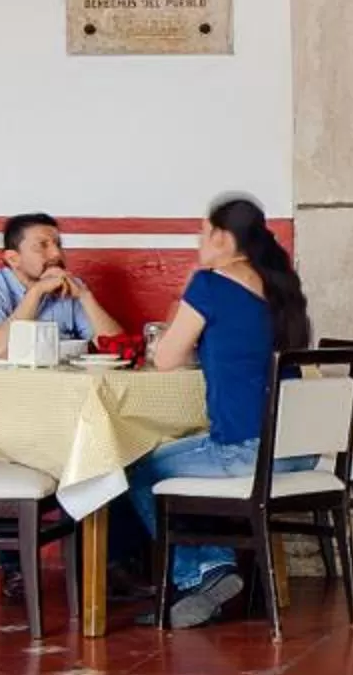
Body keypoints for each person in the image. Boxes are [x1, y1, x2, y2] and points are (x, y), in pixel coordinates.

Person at [123, 195, 314, 628]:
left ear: (224, 239)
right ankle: (211, 570)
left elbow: (165, 358)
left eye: (203, 232)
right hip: (299, 449)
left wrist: (188, 290)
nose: (198, 241)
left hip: (247, 451)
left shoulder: (210, 286)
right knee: (179, 459)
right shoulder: (279, 286)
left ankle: (205, 570)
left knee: (135, 468)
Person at [0, 212, 118, 363]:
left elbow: (117, 348)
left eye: (58, 245)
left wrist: (85, 296)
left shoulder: (70, 286)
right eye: (42, 245)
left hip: (55, 380)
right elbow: (0, 351)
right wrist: (36, 292)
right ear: (13, 259)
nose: (56, 254)